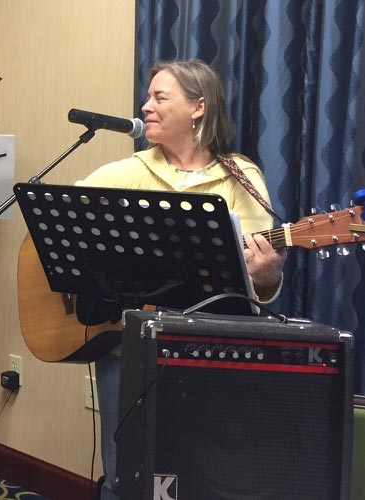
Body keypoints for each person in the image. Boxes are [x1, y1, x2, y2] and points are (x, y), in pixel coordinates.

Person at [75, 60, 286, 500]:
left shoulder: (239, 177)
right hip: (124, 348)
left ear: (198, 107)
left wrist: (267, 276)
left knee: (193, 473)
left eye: (159, 97)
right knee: (122, 475)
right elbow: (67, 224)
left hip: (202, 353)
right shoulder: (129, 170)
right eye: (147, 96)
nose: (145, 106)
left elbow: (256, 284)